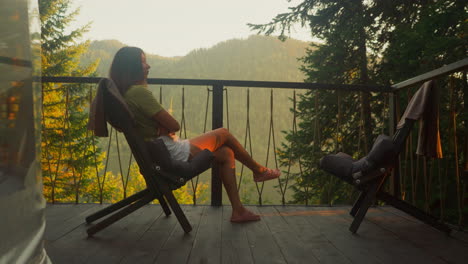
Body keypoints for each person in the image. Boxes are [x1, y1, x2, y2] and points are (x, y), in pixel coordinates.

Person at [108, 46, 280, 223]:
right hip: (170, 153)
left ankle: (238, 211)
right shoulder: (138, 92)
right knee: (224, 133)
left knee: (227, 153)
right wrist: (163, 126)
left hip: (159, 153)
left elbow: (159, 126)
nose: (148, 66)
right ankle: (259, 171)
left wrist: (161, 126)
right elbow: (175, 125)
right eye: (143, 62)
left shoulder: (126, 93)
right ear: (132, 68)